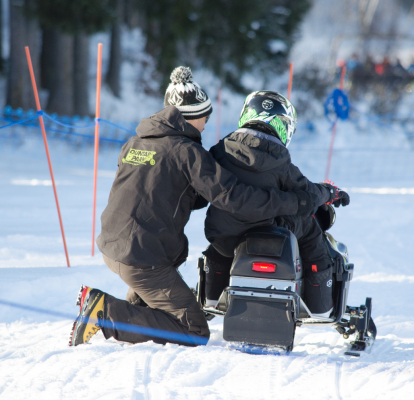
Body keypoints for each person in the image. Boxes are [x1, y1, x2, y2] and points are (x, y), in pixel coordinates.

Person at [69, 68, 334, 347]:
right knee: (193, 330)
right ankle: (105, 312)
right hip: (142, 257)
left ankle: (136, 310)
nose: (207, 124)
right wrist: (298, 201)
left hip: (115, 243)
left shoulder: (136, 143)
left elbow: (161, 192)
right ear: (191, 116)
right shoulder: (187, 152)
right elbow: (235, 197)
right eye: (205, 117)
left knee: (162, 289)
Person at [203, 91, 350, 318]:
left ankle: (212, 296)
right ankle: (320, 305)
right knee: (310, 227)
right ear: (283, 124)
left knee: (223, 229)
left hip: (223, 237)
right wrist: (330, 192)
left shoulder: (220, 150)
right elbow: (307, 194)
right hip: (265, 234)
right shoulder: (279, 157)